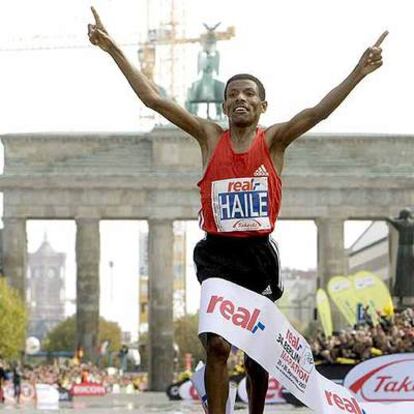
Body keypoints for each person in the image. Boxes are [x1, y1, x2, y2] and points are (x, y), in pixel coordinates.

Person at [87, 8, 386, 414]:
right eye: (232, 95)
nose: (239, 99)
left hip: (258, 258)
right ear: (225, 106)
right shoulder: (209, 137)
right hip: (217, 256)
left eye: (248, 94)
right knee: (217, 345)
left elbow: (318, 112)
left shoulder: (275, 141)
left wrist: (359, 72)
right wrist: (113, 49)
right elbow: (153, 99)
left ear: (263, 106)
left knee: (258, 354)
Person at [386, 209, 414, 304]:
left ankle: (400, 297)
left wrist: (397, 218)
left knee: (401, 273)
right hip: (411, 249)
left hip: (402, 249)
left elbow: (388, 218)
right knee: (410, 274)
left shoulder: (400, 224)